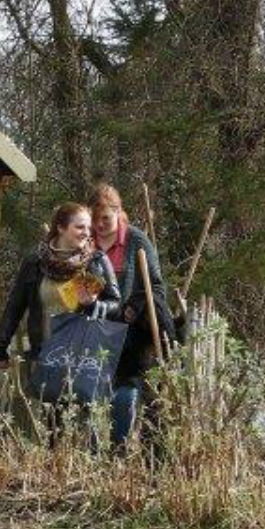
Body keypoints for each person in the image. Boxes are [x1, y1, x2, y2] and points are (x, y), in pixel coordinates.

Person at [0, 201, 121, 376]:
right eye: (80, 227)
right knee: (41, 401)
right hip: (43, 353)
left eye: (88, 228)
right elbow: (14, 306)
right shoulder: (34, 262)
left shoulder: (96, 261)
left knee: (77, 403)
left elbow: (116, 305)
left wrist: (93, 305)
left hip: (83, 358)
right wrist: (0, 348)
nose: (87, 233)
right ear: (61, 228)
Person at [88, 184, 176, 445]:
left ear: (118, 213)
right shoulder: (86, 242)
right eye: (95, 218)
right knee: (88, 392)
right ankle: (90, 449)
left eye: (106, 218)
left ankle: (120, 446)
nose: (100, 224)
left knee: (125, 393)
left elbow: (156, 286)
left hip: (130, 332)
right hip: (95, 328)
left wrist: (134, 306)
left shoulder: (136, 240)